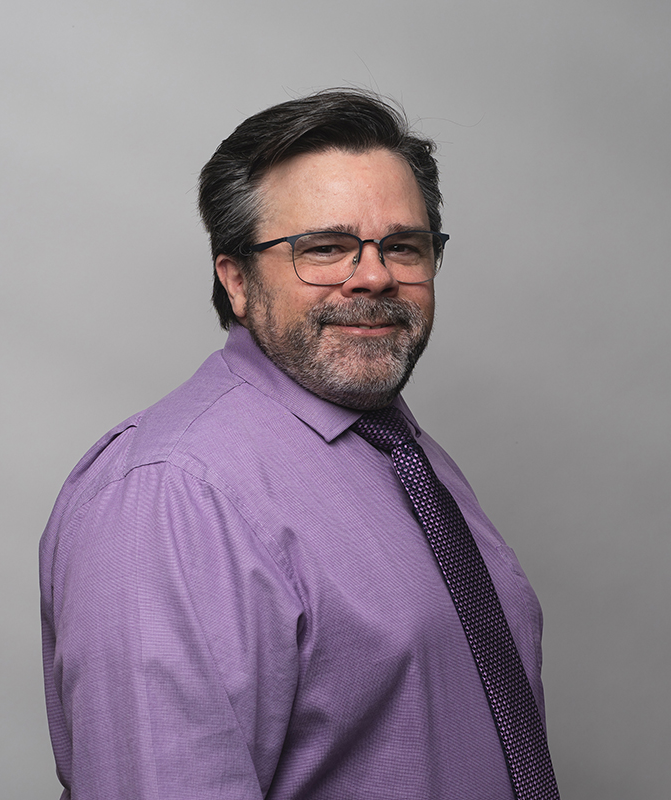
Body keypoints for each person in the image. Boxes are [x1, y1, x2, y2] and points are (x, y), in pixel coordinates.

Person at [40, 89, 558, 800]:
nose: (374, 275)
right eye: (325, 248)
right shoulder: (171, 496)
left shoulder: (407, 453)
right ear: (237, 280)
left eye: (403, 246)